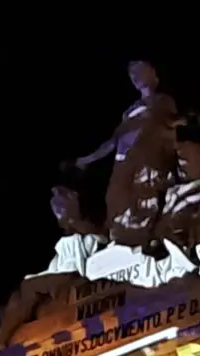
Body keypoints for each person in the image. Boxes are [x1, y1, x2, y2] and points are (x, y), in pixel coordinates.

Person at [71, 61, 184, 249]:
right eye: (133, 75)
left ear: (154, 75)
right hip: (123, 163)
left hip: (147, 162)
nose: (136, 77)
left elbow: (169, 121)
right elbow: (113, 142)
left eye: (140, 72)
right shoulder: (129, 111)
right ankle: (119, 242)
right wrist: (84, 161)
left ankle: (144, 242)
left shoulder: (163, 100)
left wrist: (185, 120)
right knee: (116, 201)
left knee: (145, 198)